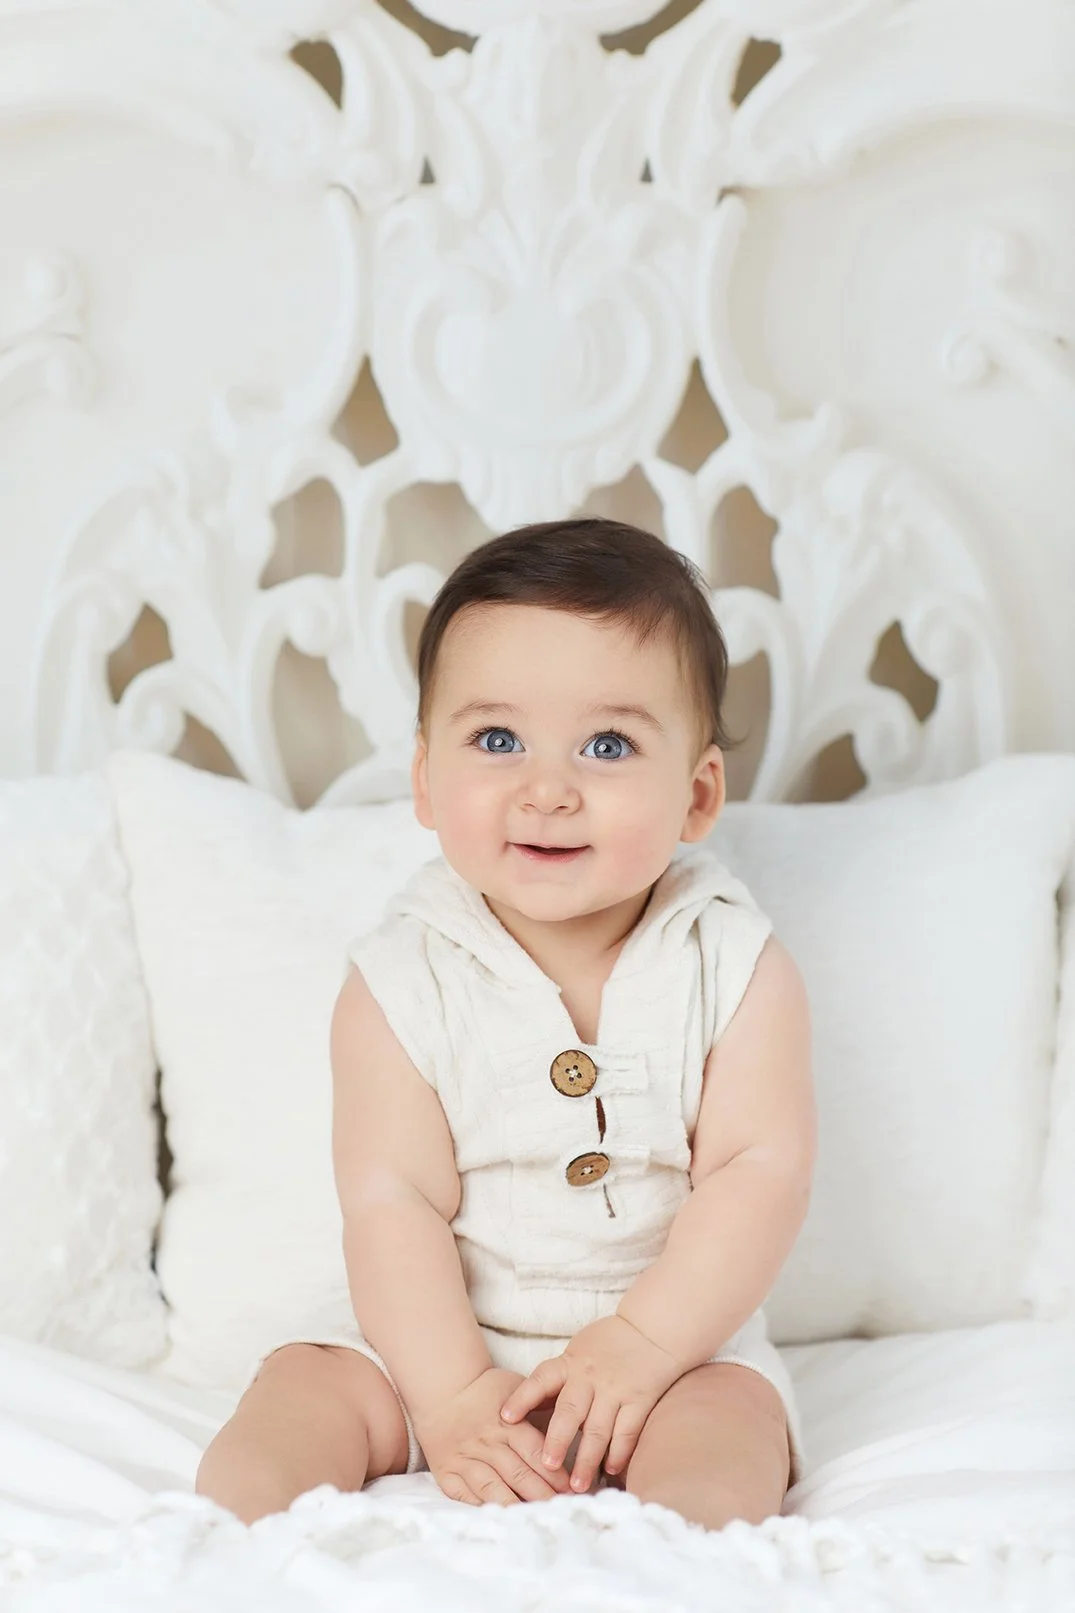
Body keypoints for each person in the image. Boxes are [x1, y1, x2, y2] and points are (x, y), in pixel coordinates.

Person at [196, 516, 816, 1531]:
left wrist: (645, 1347)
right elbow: (392, 1200)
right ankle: (222, 1558)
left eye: (607, 744)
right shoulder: (401, 977)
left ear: (698, 793)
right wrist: (448, 1396)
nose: (547, 789)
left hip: (673, 1353)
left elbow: (759, 1172)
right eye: (497, 739)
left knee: (725, 1440)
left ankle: (674, 1570)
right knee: (296, 1397)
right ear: (425, 779)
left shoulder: (735, 962)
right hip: (432, 1346)